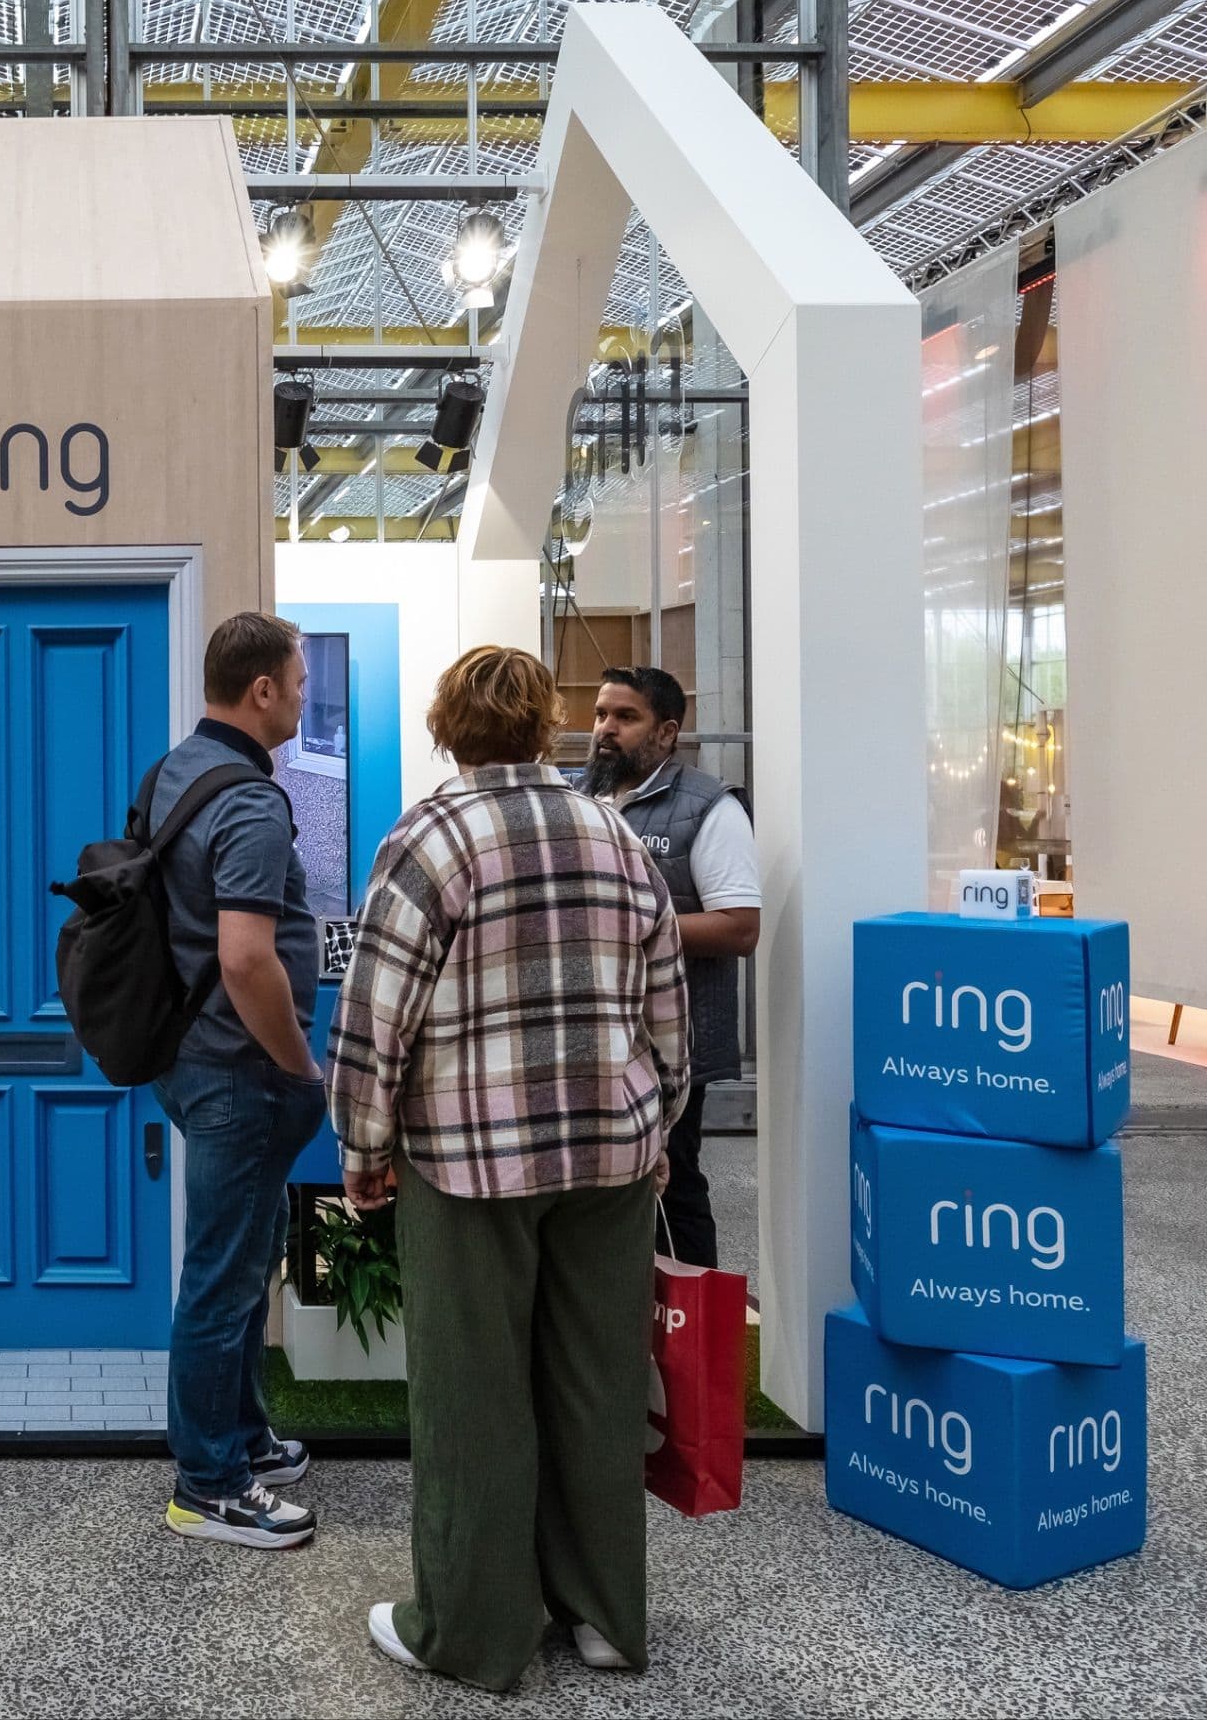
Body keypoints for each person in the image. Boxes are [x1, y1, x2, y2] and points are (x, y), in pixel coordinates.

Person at [329, 645, 689, 1689]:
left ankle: (470, 1630)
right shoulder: (613, 834)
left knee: (471, 1392)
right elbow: (663, 1006)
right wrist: (653, 1122)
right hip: (608, 1154)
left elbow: (374, 1012)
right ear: (547, 725)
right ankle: (605, 1616)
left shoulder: (430, 835)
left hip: (469, 1157)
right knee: (596, 1381)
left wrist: (362, 1146)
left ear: (445, 727)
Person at [148, 611, 326, 1551]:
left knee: (244, 1263)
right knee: (223, 1279)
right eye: (297, 682)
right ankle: (208, 1482)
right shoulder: (251, 801)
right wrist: (302, 1066)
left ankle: (243, 1439)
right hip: (241, 1072)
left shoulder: (177, 768)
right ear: (262, 689)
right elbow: (249, 958)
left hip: (192, 1062)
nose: (303, 696)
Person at [583, 665, 760, 1269]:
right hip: (602, 1039)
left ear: (666, 732)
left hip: (675, 1045)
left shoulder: (710, 808)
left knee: (674, 1187)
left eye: (625, 717)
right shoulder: (586, 800)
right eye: (601, 714)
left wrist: (627, 925)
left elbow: (740, 927)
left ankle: (695, 1345)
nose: (606, 729)